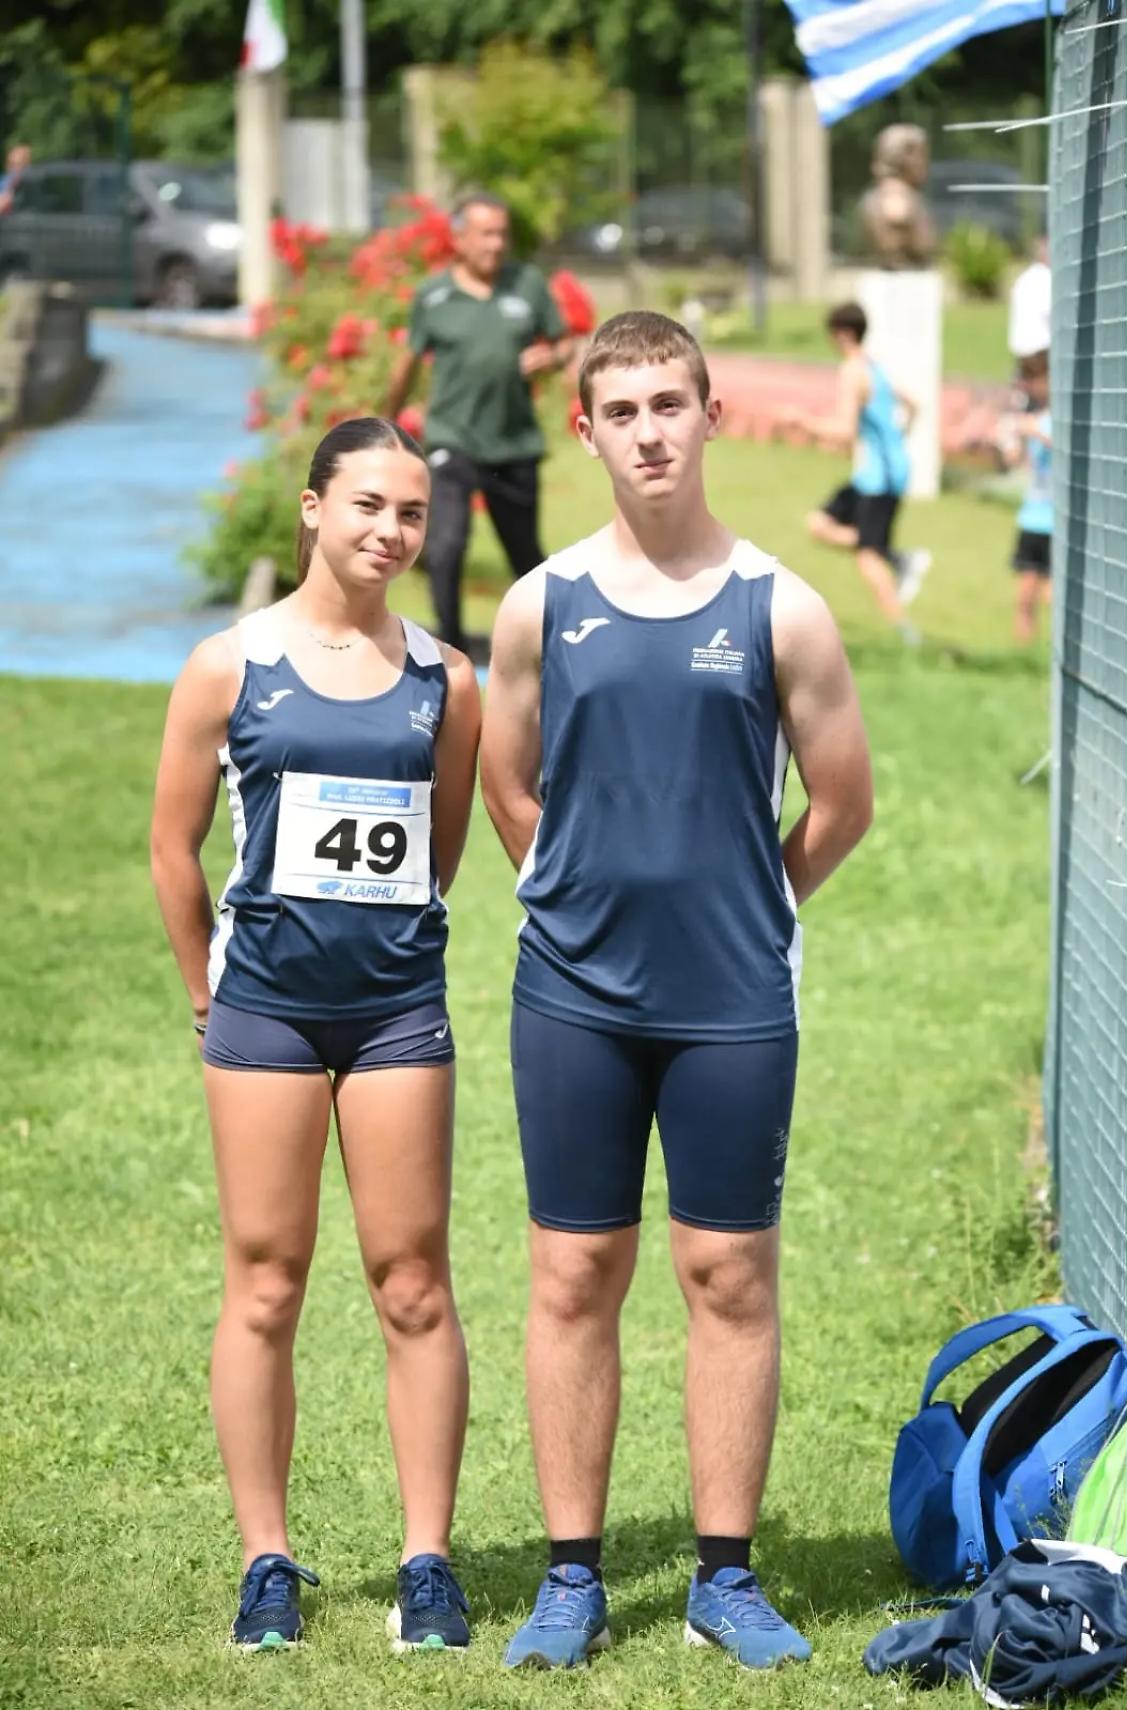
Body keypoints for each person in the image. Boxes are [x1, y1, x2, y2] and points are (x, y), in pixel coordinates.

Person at [480, 311, 874, 1672]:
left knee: (729, 1274)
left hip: (732, 1003)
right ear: (583, 428)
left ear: (711, 416)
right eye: (624, 409)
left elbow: (841, 801)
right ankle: (571, 1576)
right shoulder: (540, 602)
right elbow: (508, 778)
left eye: (672, 403)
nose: (651, 430)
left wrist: (745, 908)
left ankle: (725, 1574)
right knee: (575, 1272)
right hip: (573, 999)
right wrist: (582, 893)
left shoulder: (783, 604)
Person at [150, 417, 482, 1653]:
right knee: (267, 1282)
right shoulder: (229, 666)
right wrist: (206, 994)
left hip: (398, 1014)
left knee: (413, 1282)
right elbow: (172, 847)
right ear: (311, 509)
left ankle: (428, 1564)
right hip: (265, 1015)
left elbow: (438, 852)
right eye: (369, 507)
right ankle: (267, 1561)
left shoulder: (449, 681)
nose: (392, 531)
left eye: (411, 513)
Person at [385, 191, 576, 648]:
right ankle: (450, 652)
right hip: (453, 439)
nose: (496, 244)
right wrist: (385, 428)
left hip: (513, 444)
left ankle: (557, 645)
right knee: (447, 547)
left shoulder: (527, 284)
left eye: (502, 234)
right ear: (460, 240)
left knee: (526, 558)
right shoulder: (434, 297)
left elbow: (567, 343)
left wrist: (551, 356)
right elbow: (407, 364)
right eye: (486, 234)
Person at [784, 301, 931, 639]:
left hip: (879, 479)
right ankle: (899, 558)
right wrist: (896, 436)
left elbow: (845, 431)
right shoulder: (873, 365)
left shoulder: (852, 371)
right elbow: (913, 403)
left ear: (843, 333)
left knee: (867, 557)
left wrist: (803, 423)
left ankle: (906, 634)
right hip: (882, 472)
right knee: (819, 524)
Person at [996, 350, 1052, 644]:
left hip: (1059, 521)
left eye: (1035, 378)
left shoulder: (1059, 419)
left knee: (1053, 598)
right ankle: (1024, 654)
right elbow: (1016, 460)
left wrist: (1035, 431)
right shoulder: (1034, 417)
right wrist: (1010, 446)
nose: (1031, 386)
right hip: (1033, 516)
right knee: (1024, 597)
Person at [1008, 237, 1051, 366]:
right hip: (1040, 348)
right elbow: (1049, 311)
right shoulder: (1046, 277)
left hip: (1020, 348)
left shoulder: (1023, 278)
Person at [0, 143, 30, 215]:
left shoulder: (32, 183)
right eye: (11, 164)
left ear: (27, 165)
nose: (13, 168)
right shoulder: (5, 181)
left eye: (18, 164)